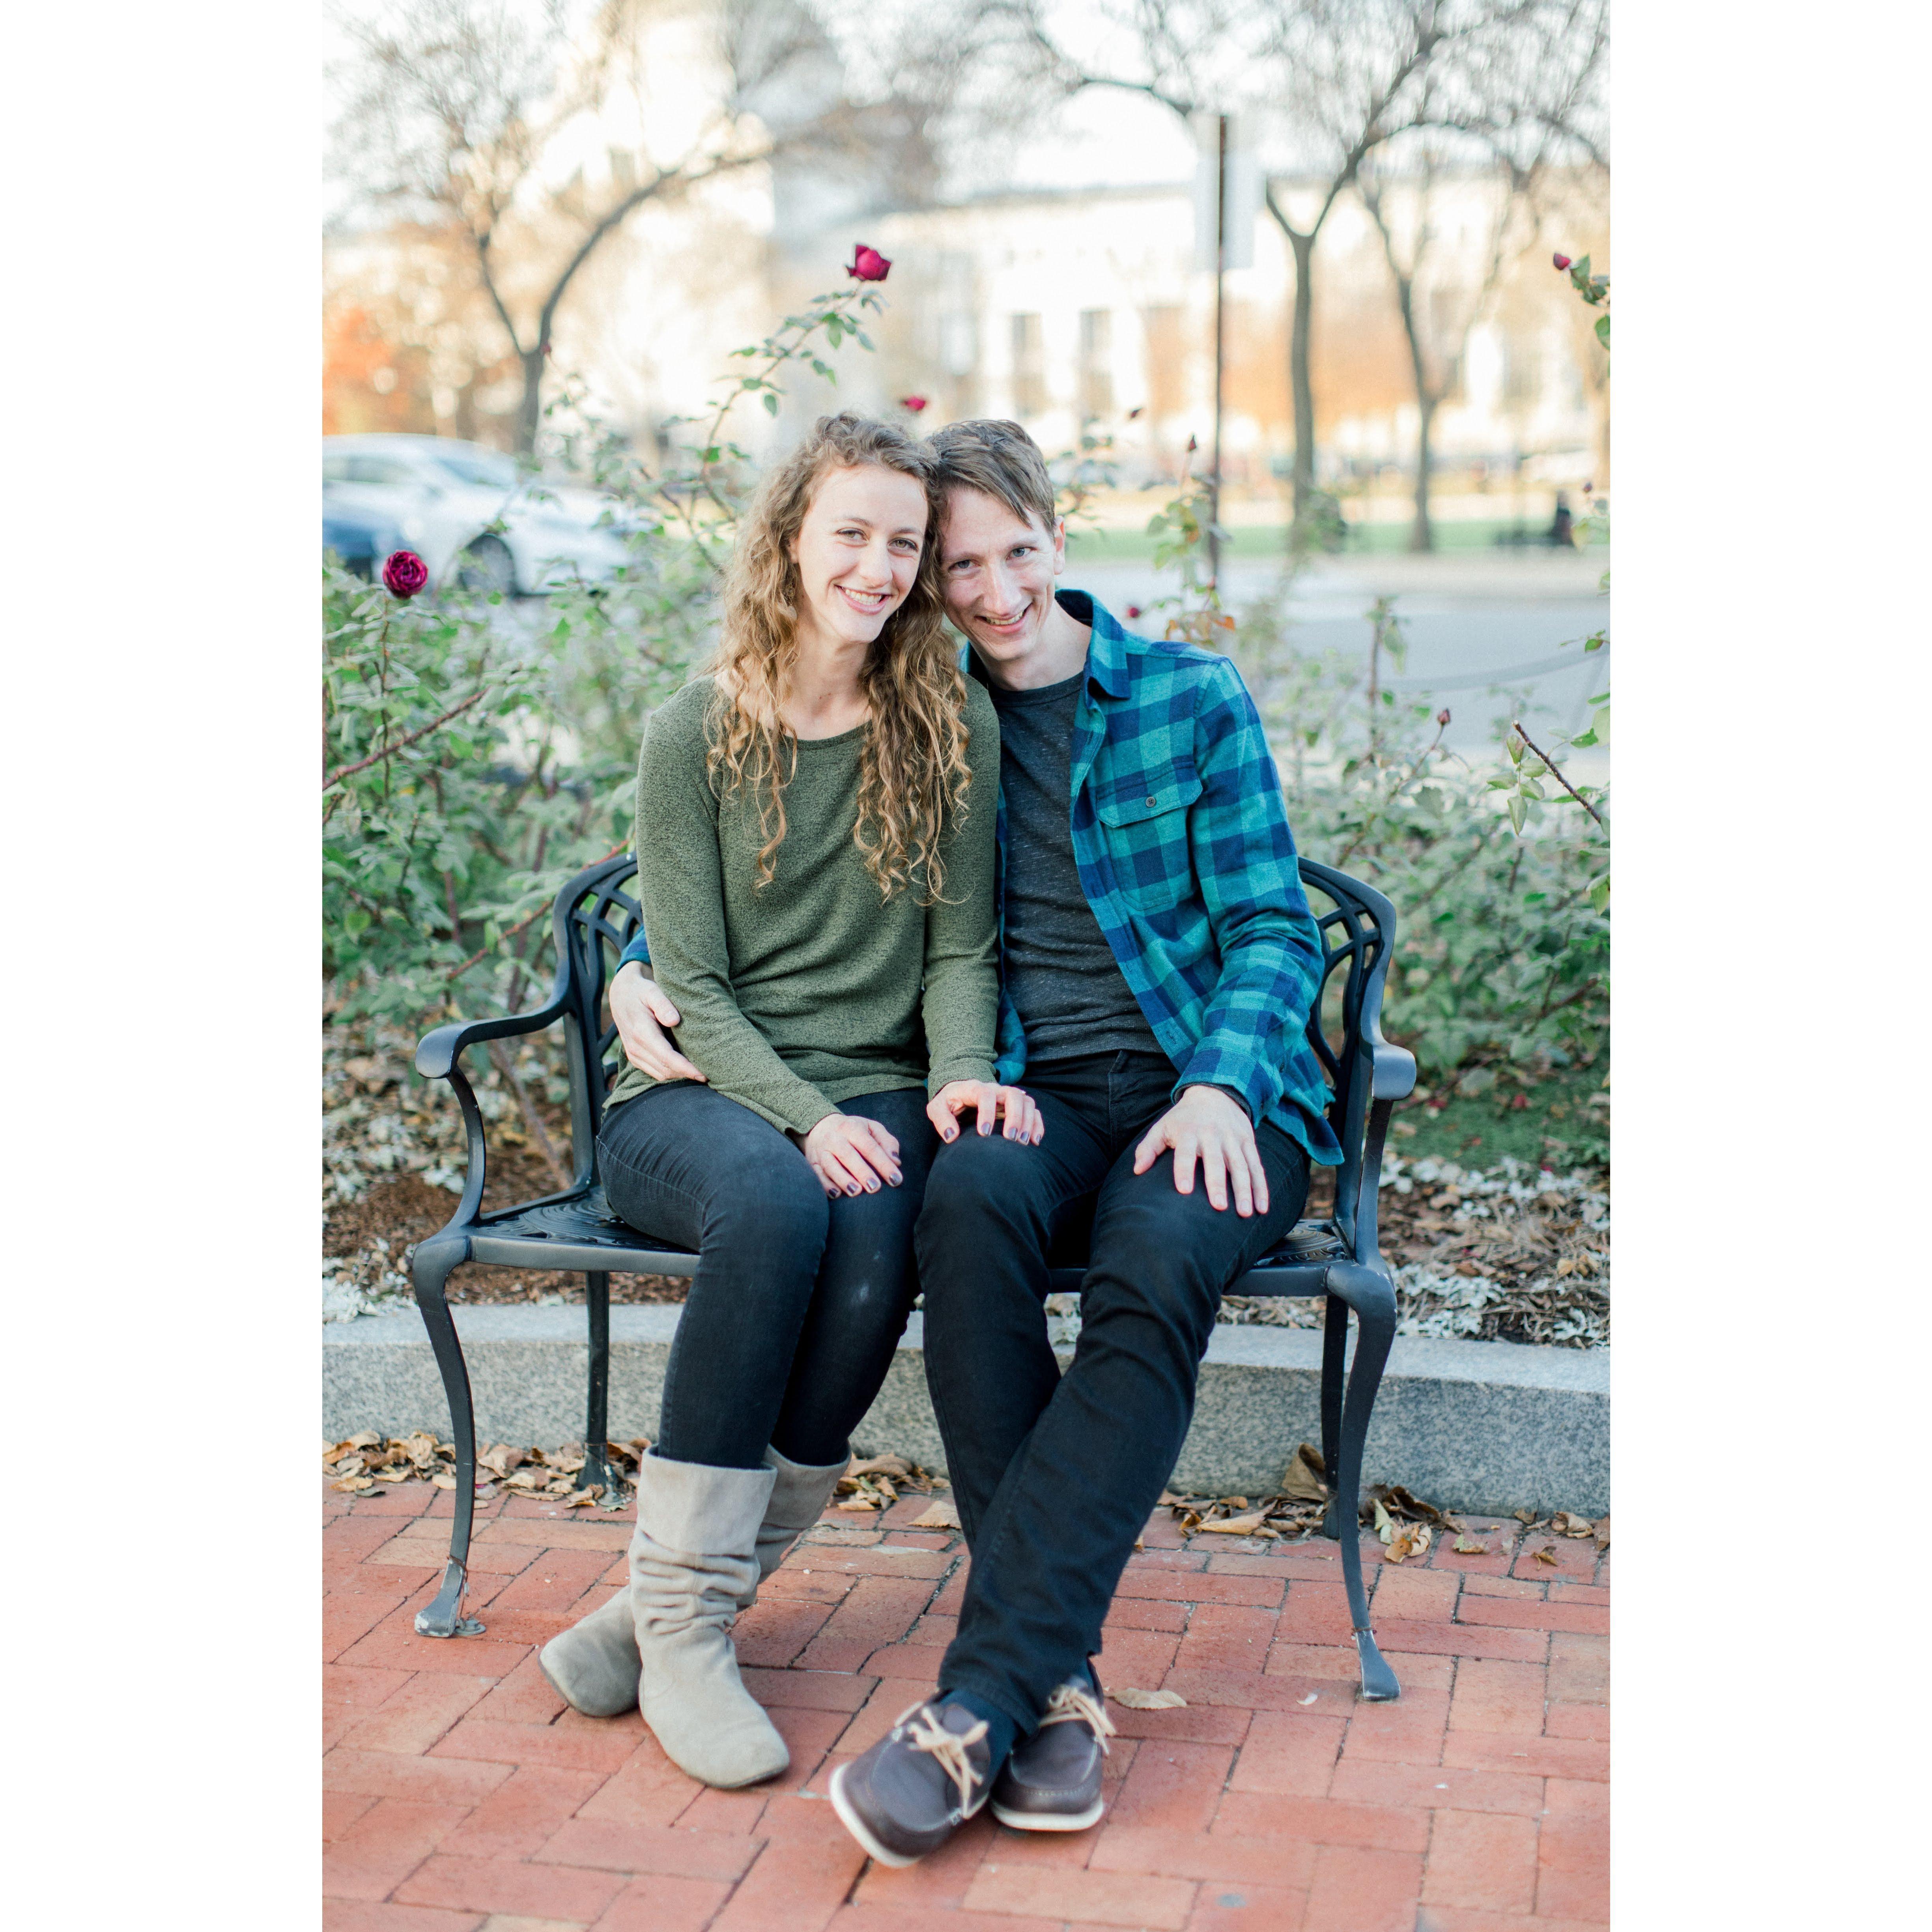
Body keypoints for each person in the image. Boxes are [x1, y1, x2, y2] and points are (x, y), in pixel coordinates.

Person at [826, 420, 1343, 1864]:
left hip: (1206, 1094)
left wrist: (1227, 1085)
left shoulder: (1186, 695)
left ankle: (980, 1701)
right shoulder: (933, 726)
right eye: (960, 567)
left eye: (1015, 554)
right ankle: (1059, 1689)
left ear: (1057, 536)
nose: (992, 593)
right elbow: (852, 908)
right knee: (970, 1204)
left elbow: (1269, 924)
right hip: (1039, 1096)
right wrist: (649, 976)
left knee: (1158, 1245)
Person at [537, 411, 1040, 1794]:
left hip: (869, 1087)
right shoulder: (693, 728)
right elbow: (685, 978)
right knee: (775, 1203)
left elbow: (957, 948)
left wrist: (956, 1078)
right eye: (852, 535)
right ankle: (692, 1634)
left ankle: (661, 1616)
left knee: (878, 1240)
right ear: (789, 541)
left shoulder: (947, 723)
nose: (878, 568)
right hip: (696, 1093)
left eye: (902, 544)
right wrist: (809, 1118)